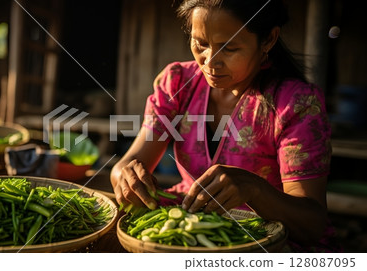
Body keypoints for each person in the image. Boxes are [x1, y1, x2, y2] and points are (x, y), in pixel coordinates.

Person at [110, 0, 337, 252]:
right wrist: (126, 178)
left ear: (268, 40)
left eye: (229, 48)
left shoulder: (295, 103)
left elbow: (311, 224)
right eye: (201, 44)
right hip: (188, 224)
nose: (210, 62)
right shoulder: (177, 84)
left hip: (265, 241)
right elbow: (128, 164)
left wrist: (255, 191)